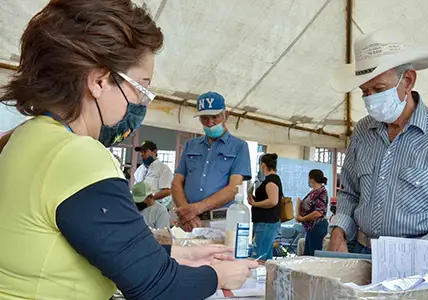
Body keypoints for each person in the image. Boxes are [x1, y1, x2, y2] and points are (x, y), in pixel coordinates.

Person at [0, 1, 256, 299]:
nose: (140, 103)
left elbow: (100, 241)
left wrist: (178, 255)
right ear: (99, 81)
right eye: (141, 87)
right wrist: (219, 275)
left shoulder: (25, 138)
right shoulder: (78, 156)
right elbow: (158, 288)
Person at [328, 29, 428, 254]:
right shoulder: (363, 130)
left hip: (418, 260)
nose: (371, 99)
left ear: (408, 80)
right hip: (361, 250)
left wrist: (423, 251)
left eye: (379, 89)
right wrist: (339, 230)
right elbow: (350, 192)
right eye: (365, 92)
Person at [172, 91, 252, 232]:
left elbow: (233, 188)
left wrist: (196, 209)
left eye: (215, 117)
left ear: (226, 115)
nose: (210, 123)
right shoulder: (191, 145)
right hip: (189, 222)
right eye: (204, 118)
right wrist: (187, 214)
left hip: (220, 222)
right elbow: (177, 182)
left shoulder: (239, 146)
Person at [248, 153, 283, 260]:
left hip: (266, 223)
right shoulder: (271, 180)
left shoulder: (271, 180)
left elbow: (273, 201)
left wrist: (255, 204)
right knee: (266, 256)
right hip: (265, 222)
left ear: (263, 165)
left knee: (259, 256)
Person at [296, 169, 329, 256]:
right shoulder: (314, 192)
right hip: (311, 228)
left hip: (317, 226)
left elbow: (318, 212)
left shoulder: (321, 192)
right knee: (307, 255)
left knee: (313, 255)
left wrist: (302, 218)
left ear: (312, 179)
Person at [133, 140, 174, 208]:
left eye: (145, 151)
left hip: (154, 206)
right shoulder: (140, 169)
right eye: (141, 152)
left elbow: (167, 191)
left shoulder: (163, 169)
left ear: (154, 152)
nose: (142, 154)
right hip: (138, 206)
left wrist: (149, 199)